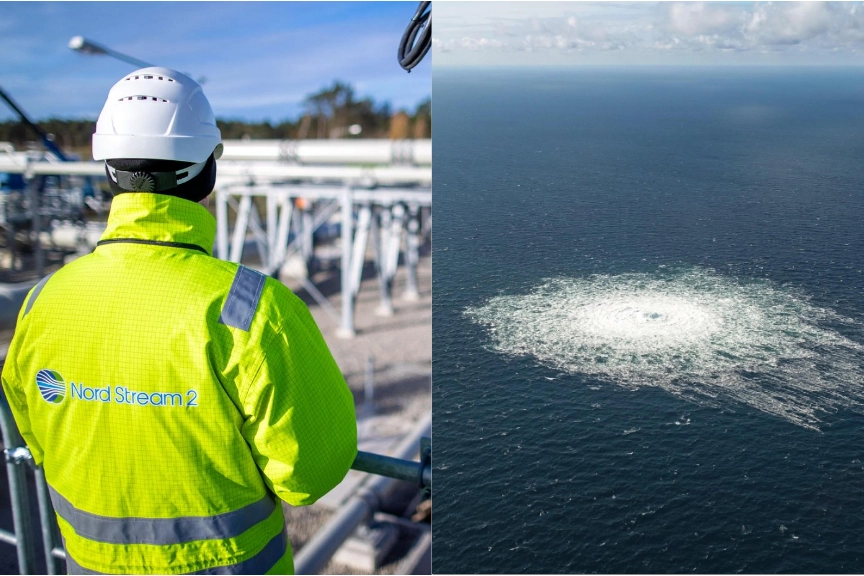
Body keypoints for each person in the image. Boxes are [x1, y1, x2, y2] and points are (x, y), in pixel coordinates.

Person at [0, 68, 357, 575]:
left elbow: (32, 434)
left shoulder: (41, 303)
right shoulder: (254, 309)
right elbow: (312, 472)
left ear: (109, 171)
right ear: (207, 170)